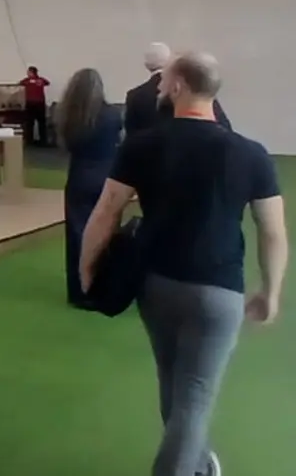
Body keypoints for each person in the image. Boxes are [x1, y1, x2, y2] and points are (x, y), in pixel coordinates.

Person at [80, 53, 287, 476]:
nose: (158, 88)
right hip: (218, 291)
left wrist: (87, 267)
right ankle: (188, 466)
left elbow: (106, 212)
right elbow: (273, 232)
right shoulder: (251, 153)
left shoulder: (142, 145)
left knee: (175, 385)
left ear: (178, 87)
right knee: (193, 394)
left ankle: (196, 464)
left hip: (156, 285)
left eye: (162, 82)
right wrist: (271, 291)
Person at [55, 68, 123, 308]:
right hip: (106, 178)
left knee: (77, 234)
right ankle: (103, 287)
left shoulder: (67, 117)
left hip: (79, 176)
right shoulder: (112, 115)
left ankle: (78, 291)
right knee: (105, 233)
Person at [125, 41, 232, 135]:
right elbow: (224, 125)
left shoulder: (135, 96)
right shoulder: (200, 90)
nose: (159, 87)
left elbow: (131, 133)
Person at [19, 66, 51, 146]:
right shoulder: (41, 80)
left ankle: (30, 141)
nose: (27, 73)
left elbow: (20, 83)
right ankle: (43, 141)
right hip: (39, 104)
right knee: (40, 123)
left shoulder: (27, 81)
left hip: (31, 103)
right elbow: (47, 82)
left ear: (32, 72)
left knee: (30, 123)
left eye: (29, 72)